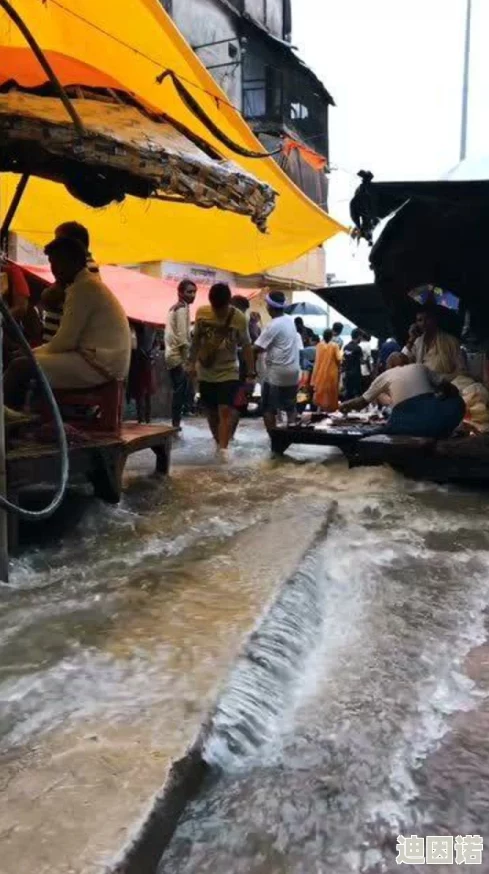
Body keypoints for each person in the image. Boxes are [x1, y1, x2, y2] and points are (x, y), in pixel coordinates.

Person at [4, 237, 131, 409]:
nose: (53, 270)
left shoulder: (83, 288)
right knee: (24, 362)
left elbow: (65, 342)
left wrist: (30, 353)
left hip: (98, 364)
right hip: (101, 360)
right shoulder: (85, 284)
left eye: (56, 263)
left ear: (72, 261)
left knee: (20, 366)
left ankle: (10, 422)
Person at [188, 282, 254, 460]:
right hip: (206, 370)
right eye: (215, 307)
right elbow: (196, 342)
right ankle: (219, 443)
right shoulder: (202, 313)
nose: (217, 311)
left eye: (221, 307)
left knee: (224, 409)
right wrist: (191, 363)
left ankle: (223, 450)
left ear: (228, 303)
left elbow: (247, 346)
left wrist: (251, 373)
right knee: (210, 411)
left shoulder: (238, 318)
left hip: (229, 370)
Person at [340, 353, 465, 439]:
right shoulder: (420, 367)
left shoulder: (385, 375)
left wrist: (344, 405)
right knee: (457, 402)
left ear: (389, 366)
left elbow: (361, 402)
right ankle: (440, 431)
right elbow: (452, 389)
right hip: (434, 422)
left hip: (406, 424)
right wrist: (439, 397)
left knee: (376, 432)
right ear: (408, 362)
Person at [40, 221, 99, 343]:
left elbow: (52, 297)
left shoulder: (82, 268)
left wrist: (48, 293)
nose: (55, 245)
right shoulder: (85, 267)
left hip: (63, 344)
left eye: (58, 240)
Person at [254, 291, 300, 433]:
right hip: (293, 372)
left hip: (276, 374)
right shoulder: (289, 320)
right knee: (290, 407)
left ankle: (274, 440)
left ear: (270, 307)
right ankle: (292, 435)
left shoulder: (273, 325)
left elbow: (257, 348)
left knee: (268, 409)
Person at [165, 279, 197, 431]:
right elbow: (182, 338)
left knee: (179, 391)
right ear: (180, 293)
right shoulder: (181, 309)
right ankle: (175, 425)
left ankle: (175, 424)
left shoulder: (178, 307)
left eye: (194, 292)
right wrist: (187, 362)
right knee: (179, 393)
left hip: (172, 354)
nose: (192, 295)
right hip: (177, 355)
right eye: (189, 292)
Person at [409, 306, 465, 380]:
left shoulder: (451, 342)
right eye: (420, 320)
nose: (423, 323)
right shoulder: (417, 342)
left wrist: (441, 379)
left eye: (427, 319)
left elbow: (461, 371)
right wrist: (411, 339)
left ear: (435, 320)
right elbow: (403, 364)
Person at [127, 322, 159, 423]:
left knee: (141, 391)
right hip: (145, 360)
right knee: (144, 392)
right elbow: (156, 344)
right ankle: (144, 418)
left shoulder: (140, 326)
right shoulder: (151, 326)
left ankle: (142, 418)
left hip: (140, 361)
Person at [310, 329, 342, 412]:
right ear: (331, 336)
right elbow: (339, 359)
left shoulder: (319, 345)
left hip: (319, 372)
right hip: (331, 373)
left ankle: (320, 410)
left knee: (321, 392)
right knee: (330, 393)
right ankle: (330, 411)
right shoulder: (334, 346)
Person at [342, 328, 363, 400]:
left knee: (348, 392)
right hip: (356, 373)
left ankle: (346, 407)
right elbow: (362, 360)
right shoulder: (358, 348)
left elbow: (343, 360)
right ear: (359, 336)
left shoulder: (346, 347)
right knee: (358, 392)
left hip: (347, 373)